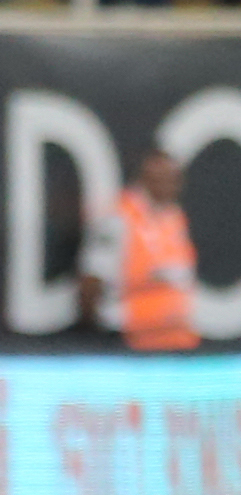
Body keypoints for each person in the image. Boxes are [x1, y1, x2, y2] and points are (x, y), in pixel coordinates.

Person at [79, 147, 199, 351]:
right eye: (160, 179)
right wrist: (98, 335)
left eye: (173, 179)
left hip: (173, 338)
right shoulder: (118, 218)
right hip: (129, 339)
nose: (168, 186)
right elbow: (92, 278)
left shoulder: (174, 216)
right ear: (143, 179)